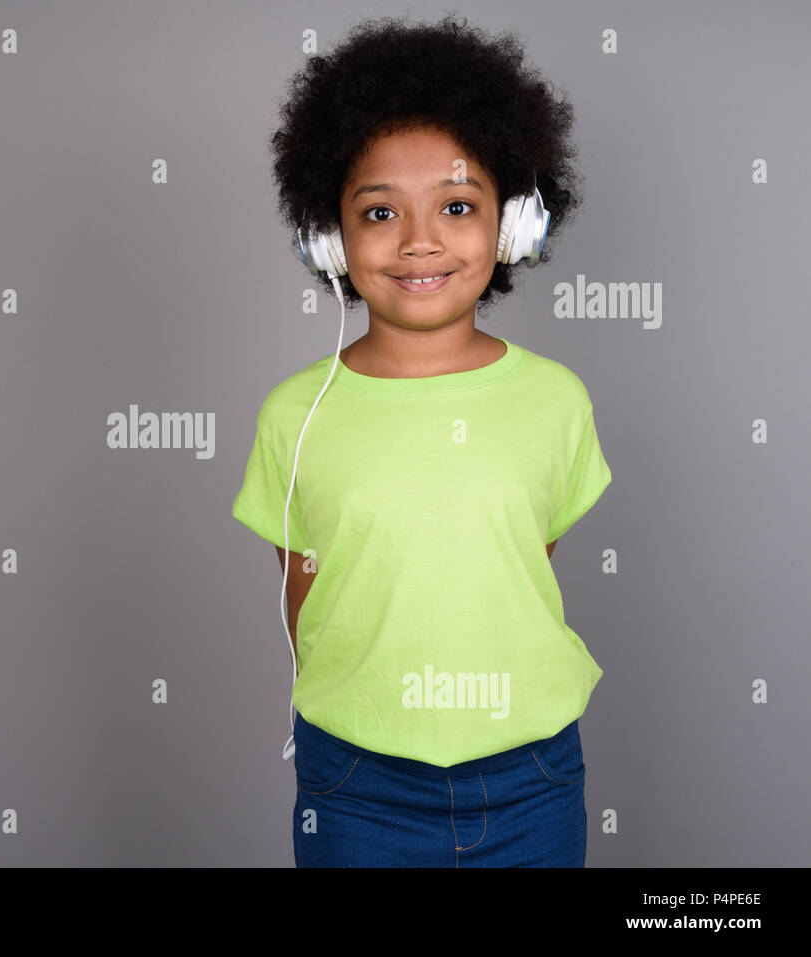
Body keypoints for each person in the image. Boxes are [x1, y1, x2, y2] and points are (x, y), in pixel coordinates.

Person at [232, 14, 612, 867]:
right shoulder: (296, 414)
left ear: (513, 226)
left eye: (456, 204)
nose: (419, 241)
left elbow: (522, 559)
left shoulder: (556, 399)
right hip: (359, 785)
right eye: (378, 211)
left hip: (533, 777)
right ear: (329, 236)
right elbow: (307, 595)